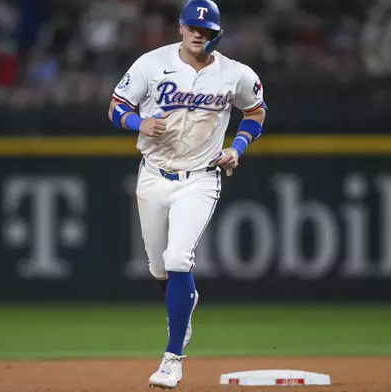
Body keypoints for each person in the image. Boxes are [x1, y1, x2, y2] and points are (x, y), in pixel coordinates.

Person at [107, 0, 267, 388]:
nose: (199, 34)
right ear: (180, 27)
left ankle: (172, 358)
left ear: (217, 34)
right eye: (194, 28)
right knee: (158, 268)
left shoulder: (235, 74)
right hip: (153, 175)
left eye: (208, 30)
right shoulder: (150, 64)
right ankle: (183, 308)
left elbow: (256, 113)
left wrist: (236, 149)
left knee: (178, 257)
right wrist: (138, 123)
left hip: (201, 176)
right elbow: (115, 108)